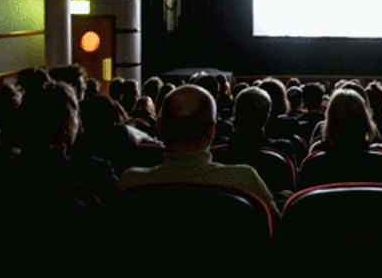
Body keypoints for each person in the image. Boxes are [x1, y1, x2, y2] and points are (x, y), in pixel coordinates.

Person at [117, 84, 281, 220]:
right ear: (212, 131)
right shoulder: (244, 180)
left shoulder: (130, 182)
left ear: (159, 127)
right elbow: (277, 229)